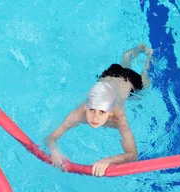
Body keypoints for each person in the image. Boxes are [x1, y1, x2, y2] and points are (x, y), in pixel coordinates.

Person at [45, 43, 153, 176]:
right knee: (125, 60)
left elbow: (133, 154)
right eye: (92, 110)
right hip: (110, 74)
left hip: (130, 82)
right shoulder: (80, 113)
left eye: (102, 112)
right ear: (87, 106)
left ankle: (149, 58)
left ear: (111, 111)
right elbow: (51, 137)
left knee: (145, 82)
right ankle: (134, 52)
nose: (95, 117)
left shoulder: (119, 117)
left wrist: (109, 160)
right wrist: (55, 150)